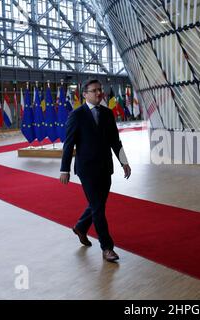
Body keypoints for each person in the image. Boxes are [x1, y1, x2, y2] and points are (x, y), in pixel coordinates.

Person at [60, 79, 131, 262]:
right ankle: (107, 248)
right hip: (87, 169)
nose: (99, 93)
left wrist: (124, 162)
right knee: (98, 208)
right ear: (85, 94)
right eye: (94, 91)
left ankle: (81, 227)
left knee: (97, 204)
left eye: (100, 90)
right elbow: (69, 144)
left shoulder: (107, 114)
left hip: (106, 167)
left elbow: (116, 141)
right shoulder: (77, 115)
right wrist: (64, 169)